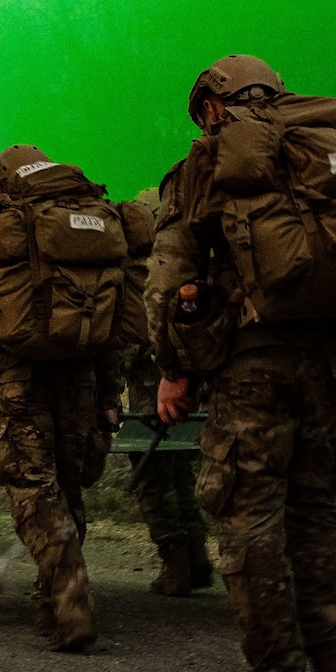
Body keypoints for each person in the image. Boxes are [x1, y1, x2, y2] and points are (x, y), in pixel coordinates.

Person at [150, 57, 336, 672]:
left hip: (253, 364)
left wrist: (173, 366)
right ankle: (335, 657)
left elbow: (171, 277)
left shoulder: (208, 162)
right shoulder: (327, 140)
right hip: (334, 359)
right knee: (315, 507)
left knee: (247, 517)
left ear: (212, 106)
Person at [0, 145, 151, 652]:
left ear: (2, 182)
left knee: (32, 485)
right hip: (82, 371)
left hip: (20, 373)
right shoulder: (101, 216)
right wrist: (108, 392)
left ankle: (69, 599)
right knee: (67, 484)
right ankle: (48, 601)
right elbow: (114, 315)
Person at [123, 189, 211, 598]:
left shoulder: (139, 274)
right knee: (181, 469)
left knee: (153, 475)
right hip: (195, 382)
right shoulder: (198, 265)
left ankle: (175, 560)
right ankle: (197, 557)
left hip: (152, 385)